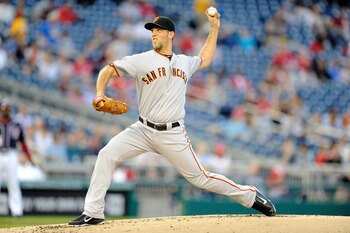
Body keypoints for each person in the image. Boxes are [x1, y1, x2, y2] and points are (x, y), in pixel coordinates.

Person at [69, 8, 276, 226]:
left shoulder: (184, 62)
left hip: (173, 133)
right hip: (142, 129)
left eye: (159, 30)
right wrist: (100, 93)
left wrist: (214, 29)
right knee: (106, 154)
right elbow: (108, 70)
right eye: (152, 30)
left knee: (200, 178)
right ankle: (93, 213)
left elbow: (204, 59)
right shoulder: (141, 60)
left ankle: (250, 195)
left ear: (171, 34)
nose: (154, 33)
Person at [0, 101, 34, 217]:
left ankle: (17, 211)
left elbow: (23, 143)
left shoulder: (15, 124)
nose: (5, 111)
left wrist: (29, 157)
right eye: (3, 109)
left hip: (11, 153)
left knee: (13, 183)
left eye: (7, 109)